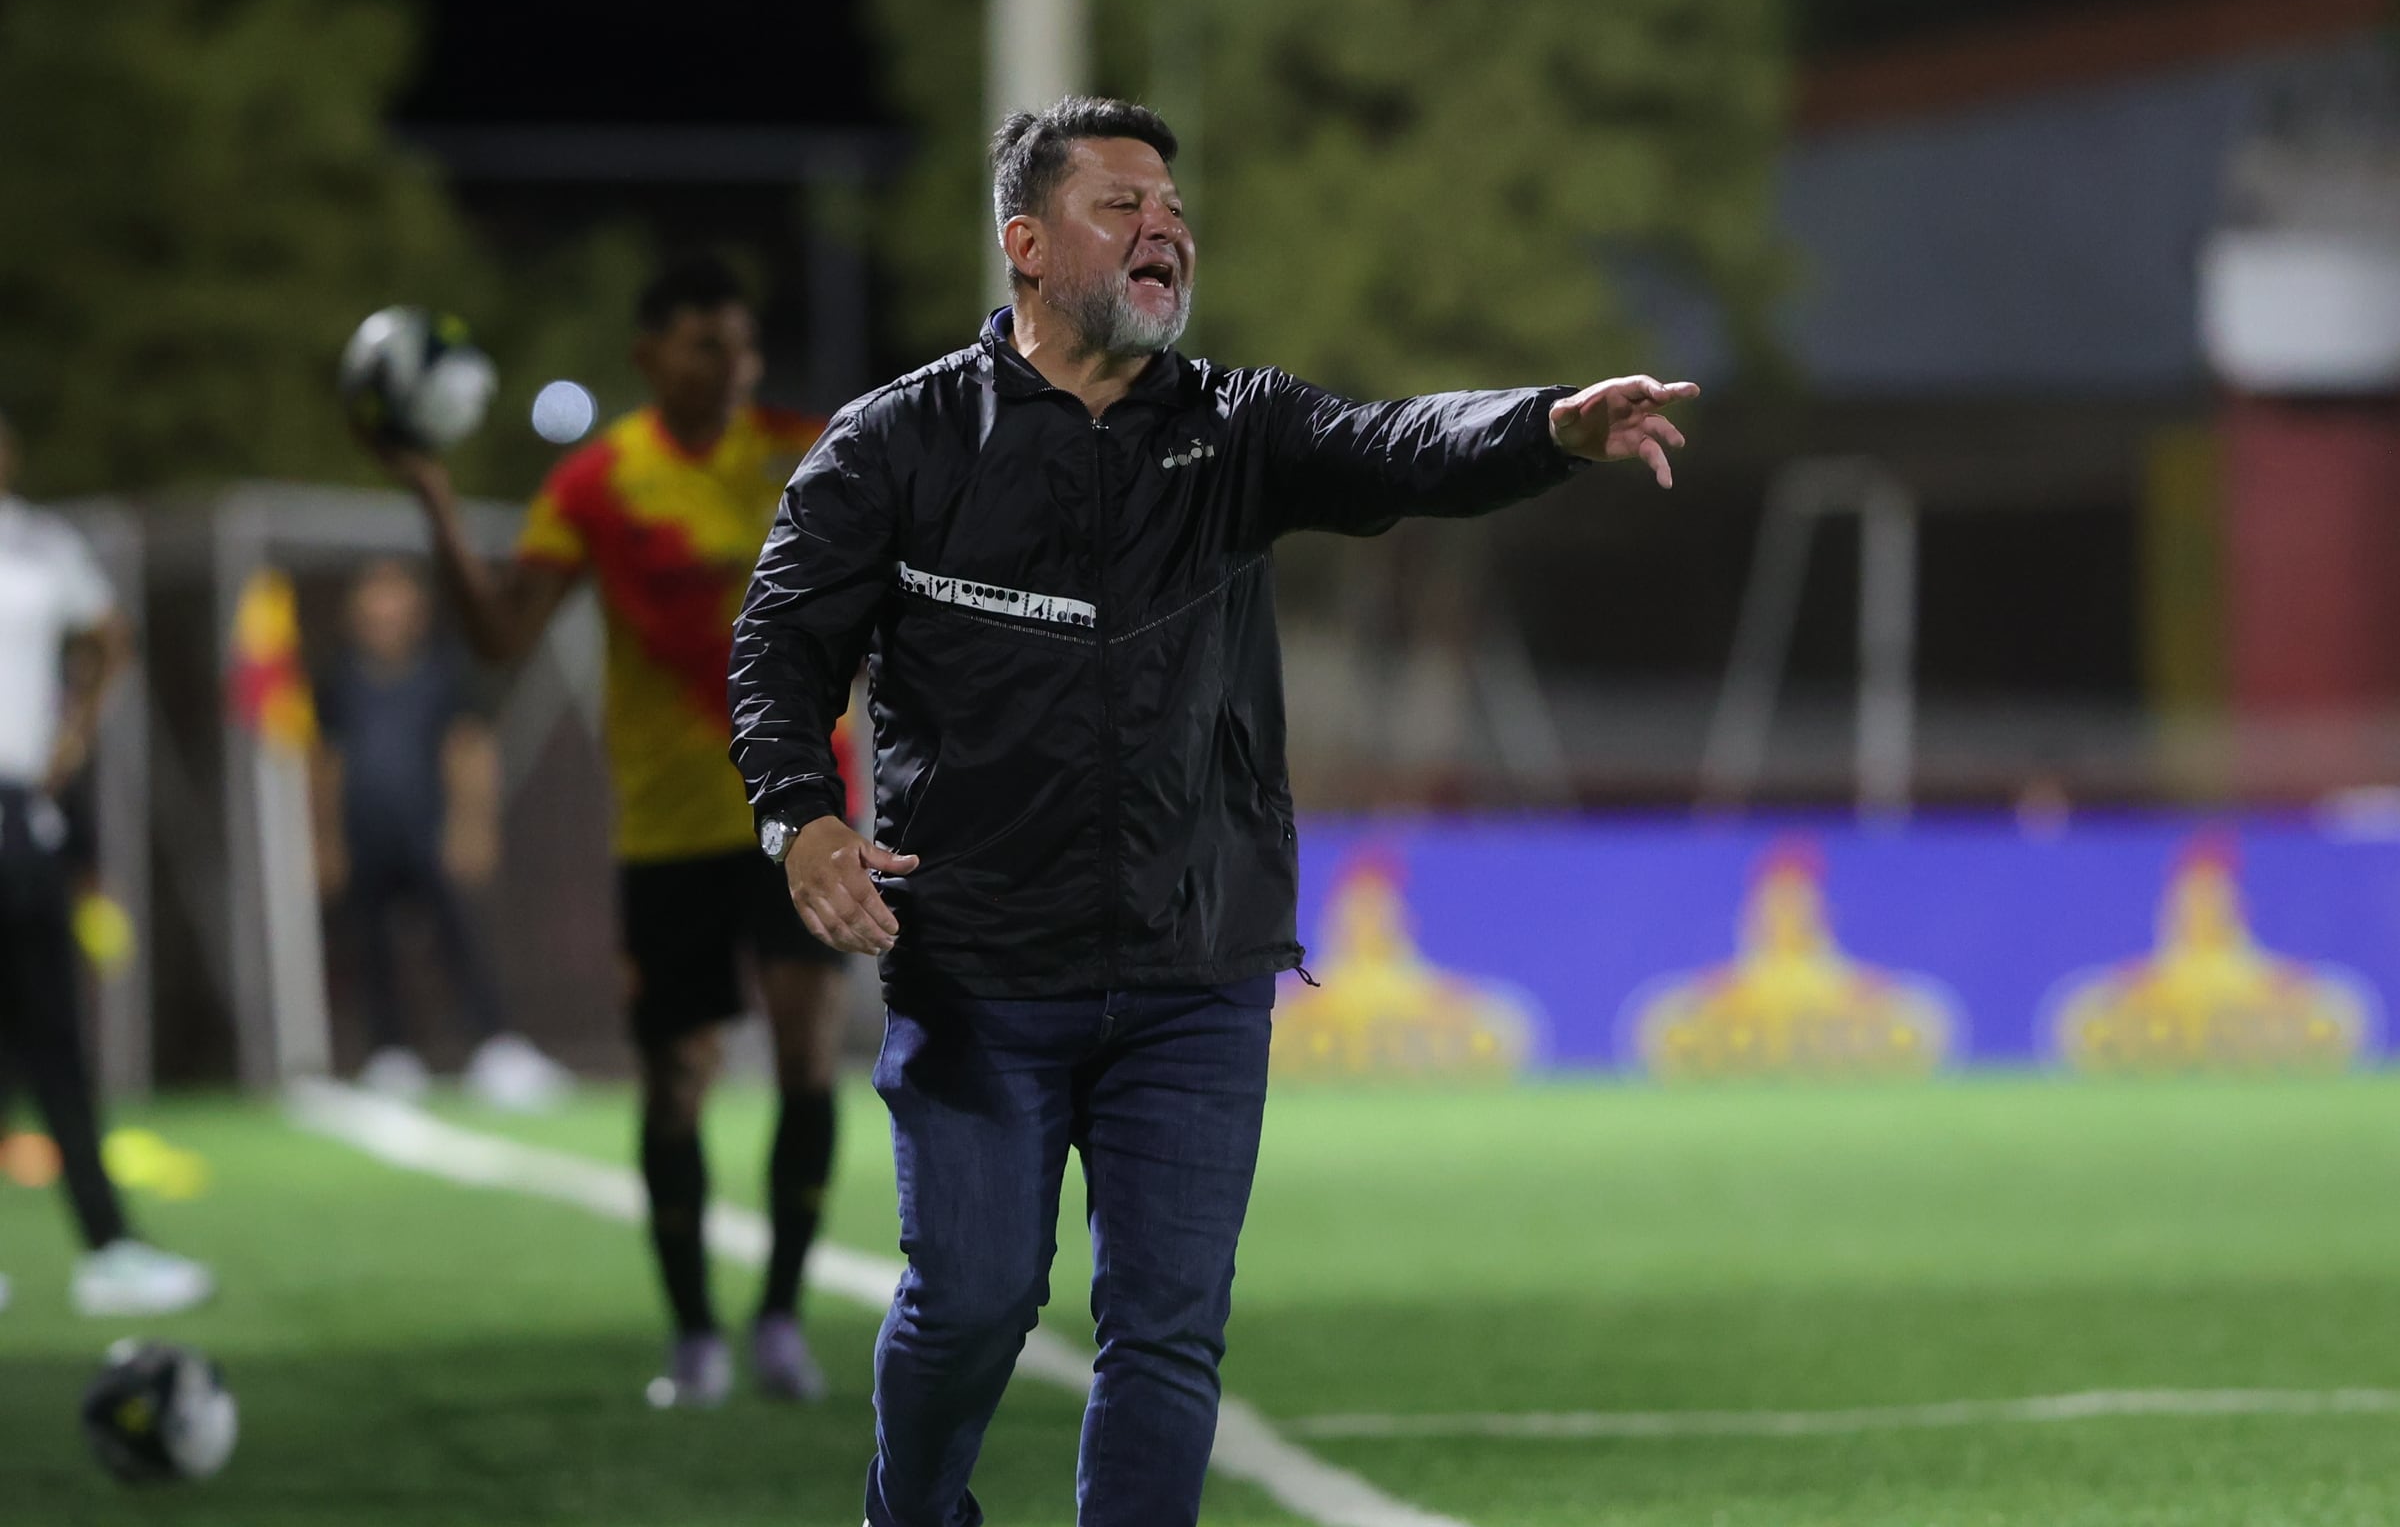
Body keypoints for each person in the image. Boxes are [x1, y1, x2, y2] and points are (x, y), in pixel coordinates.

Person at [728, 96, 1698, 1527]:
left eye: (1172, 210)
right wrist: (800, 817)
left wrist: (1544, 428)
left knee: (1167, 1333)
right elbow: (778, 646)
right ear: (1027, 243)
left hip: (1197, 968)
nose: (1163, 228)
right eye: (1121, 205)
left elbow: (1394, 443)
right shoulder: (900, 441)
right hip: (981, 963)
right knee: (972, 1303)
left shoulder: (1239, 426)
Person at [365, 258, 848, 1405]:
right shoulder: (596, 485)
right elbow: (499, 635)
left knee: (806, 1052)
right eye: (705, 346)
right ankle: (694, 1334)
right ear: (648, 357)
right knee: (677, 1077)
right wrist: (433, 497)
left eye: (743, 345)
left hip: (803, 813)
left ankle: (781, 1319)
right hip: (669, 827)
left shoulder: (807, 448)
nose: (732, 367)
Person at [0, 409, 215, 1317]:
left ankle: (109, 1247)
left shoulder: (39, 543)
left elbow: (108, 634)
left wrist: (74, 734)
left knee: (54, 1039)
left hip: (17, 812)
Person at [313, 556, 569, 1109]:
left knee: (460, 939)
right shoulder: (340, 681)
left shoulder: (445, 673)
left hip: (429, 831)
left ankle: (496, 1046)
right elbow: (326, 761)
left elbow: (469, 749)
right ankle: (389, 1052)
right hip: (365, 835)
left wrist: (472, 827)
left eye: (395, 600)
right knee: (371, 944)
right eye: (374, 602)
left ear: (417, 611)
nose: (385, 614)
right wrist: (326, 840)